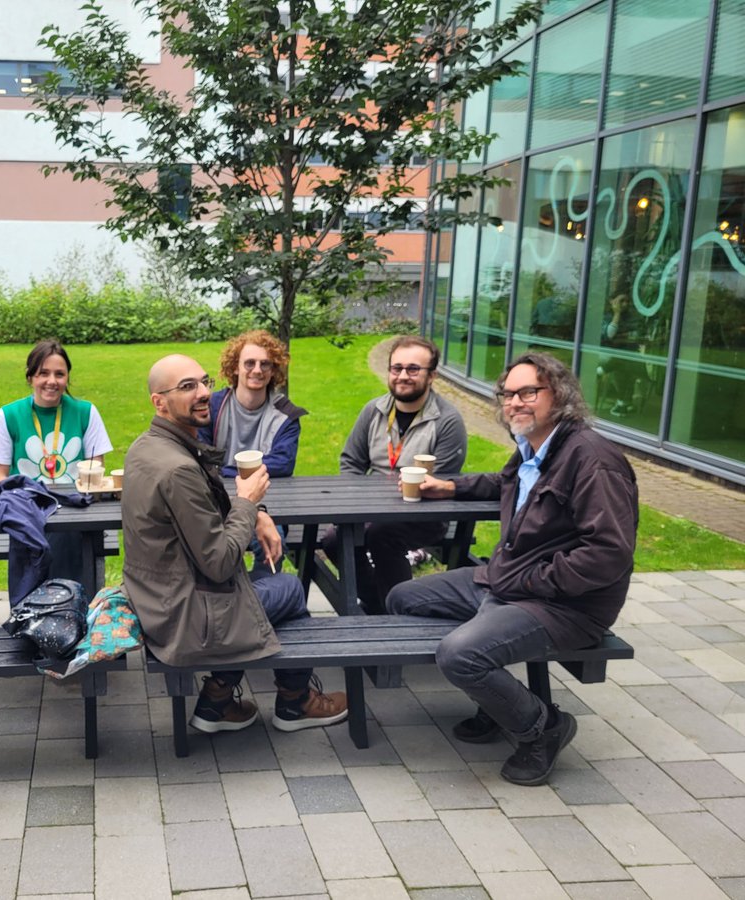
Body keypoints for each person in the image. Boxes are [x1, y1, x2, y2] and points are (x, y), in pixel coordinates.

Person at [387, 352, 638, 786]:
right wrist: (451, 486)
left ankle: (542, 729)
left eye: (528, 392)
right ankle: (499, 697)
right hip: (509, 580)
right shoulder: (536, 447)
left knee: (459, 652)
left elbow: (608, 553)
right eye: (508, 394)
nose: (515, 402)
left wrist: (533, 582)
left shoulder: (592, 460)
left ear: (558, 395)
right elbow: (508, 483)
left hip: (567, 605)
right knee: (402, 596)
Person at [120, 354, 349, 735]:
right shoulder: (177, 469)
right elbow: (220, 564)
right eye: (187, 387)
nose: (204, 393)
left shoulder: (146, 447)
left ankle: (222, 700)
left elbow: (199, 520)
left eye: (204, 382)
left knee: (269, 584)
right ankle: (292, 700)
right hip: (183, 619)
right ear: (158, 402)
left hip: (156, 596)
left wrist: (255, 514)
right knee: (290, 588)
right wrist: (247, 500)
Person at [329, 335, 468, 613]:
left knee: (384, 535)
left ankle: (399, 611)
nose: (403, 376)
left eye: (413, 369)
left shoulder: (448, 421)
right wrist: (357, 501)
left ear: (432, 376)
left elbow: (442, 483)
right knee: (332, 540)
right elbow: (351, 462)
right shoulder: (374, 410)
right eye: (397, 368)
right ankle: (381, 604)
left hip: (425, 514)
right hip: (371, 509)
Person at [0, 339, 113, 583]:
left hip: (76, 508)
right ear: (30, 376)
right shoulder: (8, 415)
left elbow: (97, 469)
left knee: (72, 540)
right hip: (28, 509)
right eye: (43, 373)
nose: (52, 381)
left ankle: (74, 602)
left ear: (67, 378)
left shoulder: (86, 412)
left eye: (59, 374)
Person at [198, 330, 306, 477]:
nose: (257, 370)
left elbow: (283, 464)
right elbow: (200, 457)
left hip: (270, 491)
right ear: (236, 367)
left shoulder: (286, 415)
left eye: (265, 364)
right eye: (250, 363)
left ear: (273, 370)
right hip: (219, 491)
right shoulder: (212, 407)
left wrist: (223, 471)